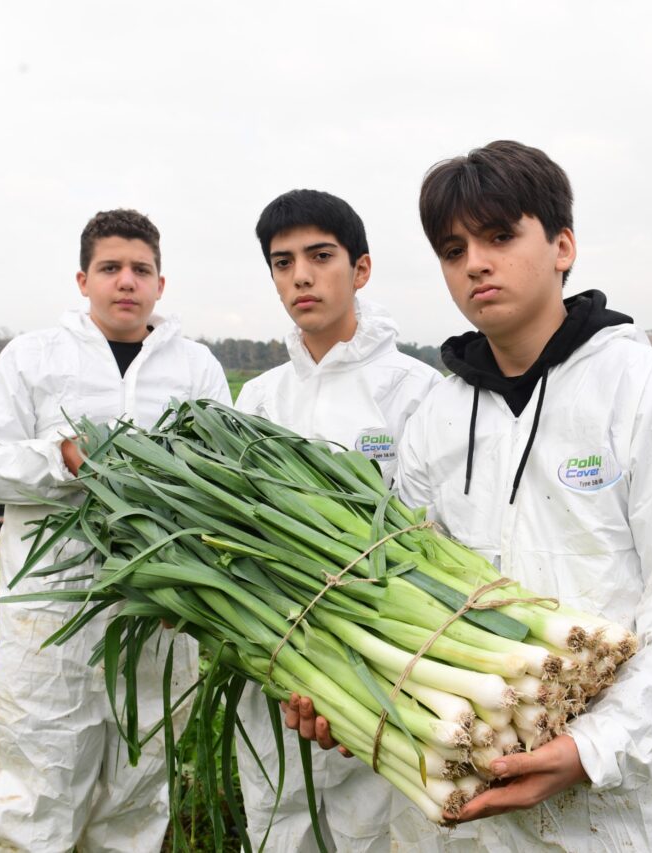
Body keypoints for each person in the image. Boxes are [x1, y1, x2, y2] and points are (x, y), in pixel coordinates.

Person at [288, 141, 652, 852]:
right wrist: (348, 693)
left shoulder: (643, 392)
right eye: (453, 248)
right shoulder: (439, 417)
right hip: (460, 791)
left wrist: (595, 745)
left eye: (500, 236)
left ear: (562, 246)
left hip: (611, 809)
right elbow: (395, 589)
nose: (475, 261)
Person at [0, 209, 231, 852]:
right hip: (50, 616)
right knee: (37, 788)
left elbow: (222, 485)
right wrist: (61, 458)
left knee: (139, 788)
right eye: (111, 268)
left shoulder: (196, 369)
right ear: (83, 280)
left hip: (157, 616)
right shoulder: (33, 358)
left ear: (161, 284)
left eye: (141, 269)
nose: (126, 282)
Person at [233, 189, 442, 852]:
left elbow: (435, 536)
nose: (300, 275)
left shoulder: (417, 390)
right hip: (278, 674)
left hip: (385, 675)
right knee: (277, 823)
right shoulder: (258, 398)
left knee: (380, 833)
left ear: (361, 269)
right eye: (282, 261)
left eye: (320, 256)